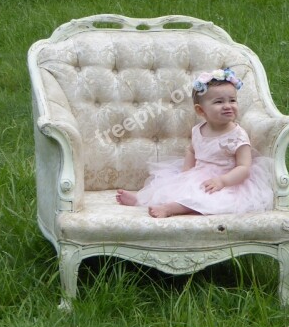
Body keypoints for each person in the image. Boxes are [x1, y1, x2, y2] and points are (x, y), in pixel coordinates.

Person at [116, 68, 274, 218]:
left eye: (232, 100)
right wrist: (186, 173)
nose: (228, 106)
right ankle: (141, 199)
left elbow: (244, 168)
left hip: (226, 181)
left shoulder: (237, 135)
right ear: (200, 110)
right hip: (197, 174)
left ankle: (170, 209)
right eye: (219, 102)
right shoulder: (198, 130)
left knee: (202, 198)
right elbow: (192, 150)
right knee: (171, 187)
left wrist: (222, 181)